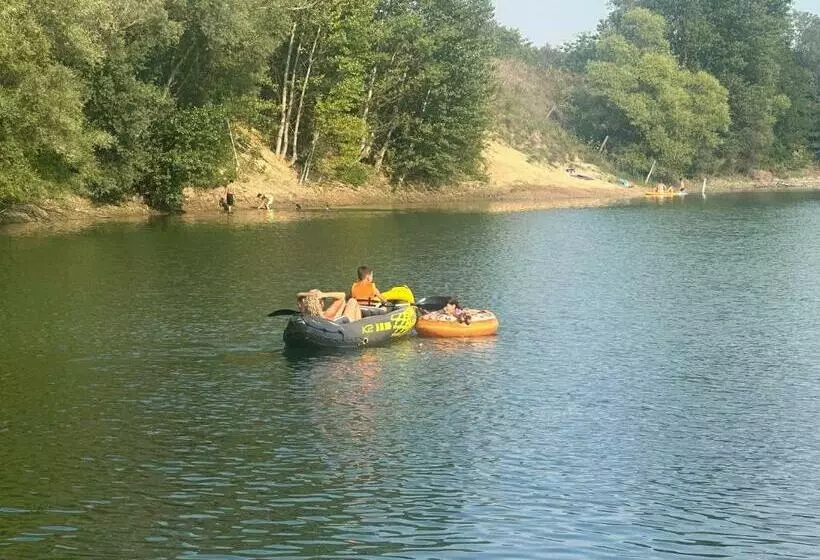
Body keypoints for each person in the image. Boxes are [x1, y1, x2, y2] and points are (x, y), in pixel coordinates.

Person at [297, 290, 361, 322]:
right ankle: (360, 328)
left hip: (336, 323)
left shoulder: (304, 312)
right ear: (321, 303)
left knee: (344, 303)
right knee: (352, 301)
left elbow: (298, 295)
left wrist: (309, 295)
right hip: (344, 325)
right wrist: (324, 294)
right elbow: (342, 295)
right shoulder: (327, 314)